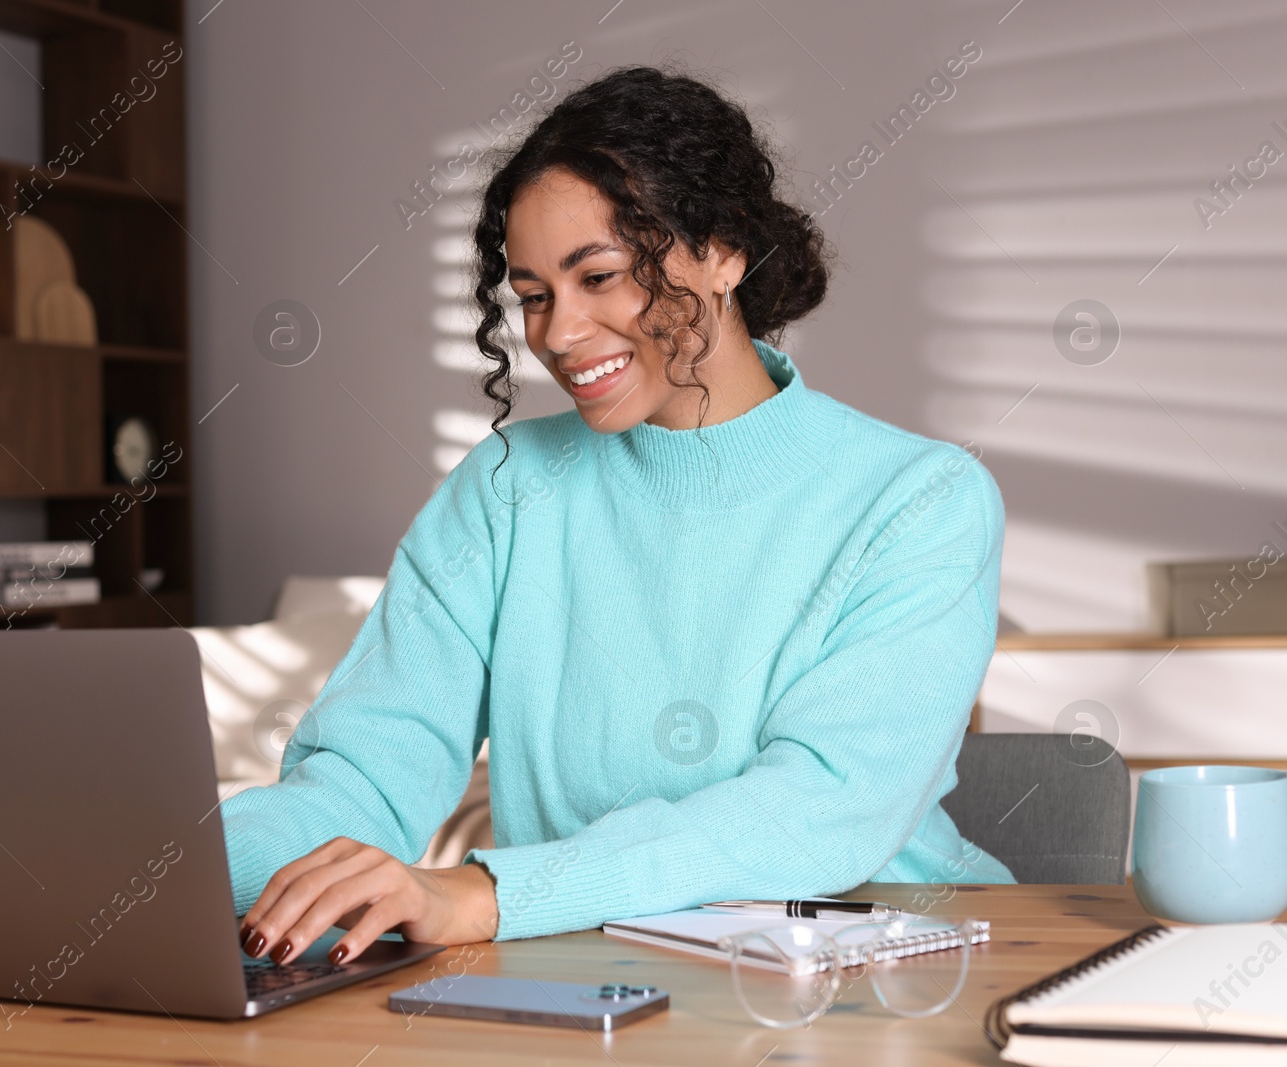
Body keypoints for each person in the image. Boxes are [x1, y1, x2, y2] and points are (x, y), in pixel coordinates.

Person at [221, 64, 1015, 969]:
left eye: (598, 275)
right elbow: (365, 771)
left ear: (721, 251)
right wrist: (162, 862)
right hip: (583, 975)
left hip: (875, 973)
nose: (558, 334)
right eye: (533, 295)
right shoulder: (508, 487)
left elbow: (820, 807)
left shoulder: (919, 500)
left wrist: (487, 892)